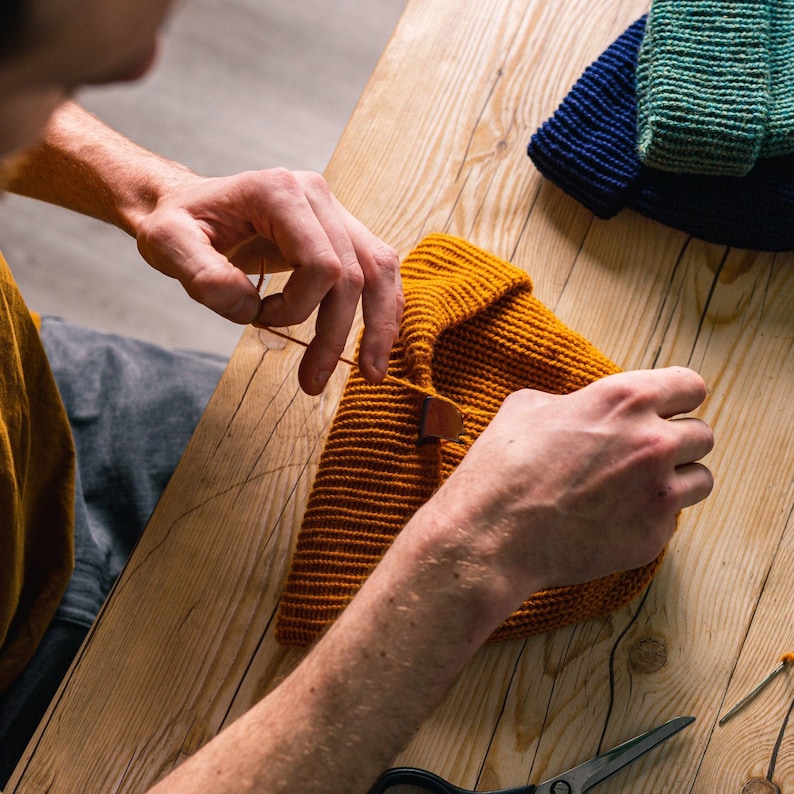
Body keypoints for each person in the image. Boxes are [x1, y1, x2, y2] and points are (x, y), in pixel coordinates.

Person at [0, 0, 715, 792]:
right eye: (61, 74)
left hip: (45, 402)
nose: (140, 73)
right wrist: (472, 555)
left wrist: (144, 189)